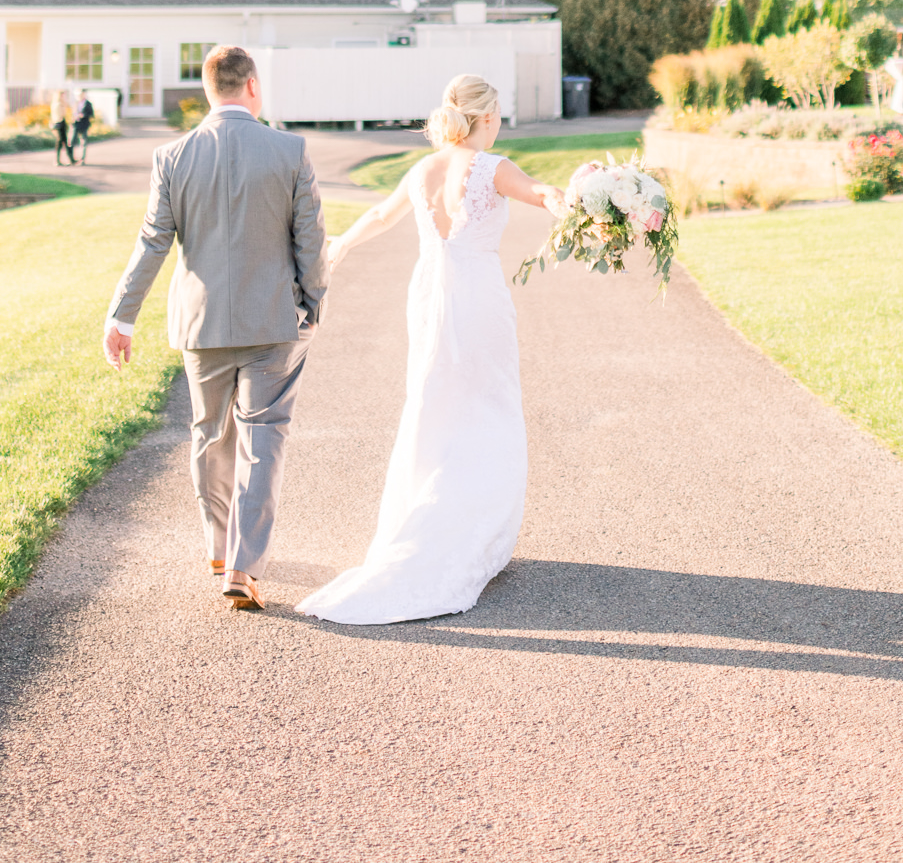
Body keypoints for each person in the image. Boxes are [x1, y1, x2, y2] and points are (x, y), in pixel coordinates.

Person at [297, 72, 568, 626]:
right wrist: (572, 203)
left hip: (428, 296)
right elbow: (542, 193)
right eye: (497, 118)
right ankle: (475, 528)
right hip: (478, 299)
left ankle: (430, 513)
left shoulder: (423, 169)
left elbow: (379, 216)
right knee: (487, 404)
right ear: (486, 118)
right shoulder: (492, 167)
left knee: (434, 402)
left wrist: (342, 244)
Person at [102, 45, 327, 613]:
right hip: (273, 321)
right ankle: (245, 567)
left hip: (201, 325)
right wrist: (312, 304)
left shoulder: (172, 156)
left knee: (208, 434)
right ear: (251, 86)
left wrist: (121, 316)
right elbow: (312, 244)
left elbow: (153, 241)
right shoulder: (290, 150)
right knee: (263, 439)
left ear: (209, 90)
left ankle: (218, 548)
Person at [71, 90, 95, 163]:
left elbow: (92, 114)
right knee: (73, 141)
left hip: (84, 124)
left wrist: (83, 115)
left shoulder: (88, 104)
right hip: (76, 124)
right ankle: (72, 158)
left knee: (83, 142)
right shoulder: (76, 103)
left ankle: (82, 159)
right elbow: (73, 113)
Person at [50, 88, 72, 165]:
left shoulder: (54, 104)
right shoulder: (59, 105)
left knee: (62, 142)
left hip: (57, 124)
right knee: (62, 142)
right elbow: (62, 115)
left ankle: (67, 159)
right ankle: (65, 159)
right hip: (60, 124)